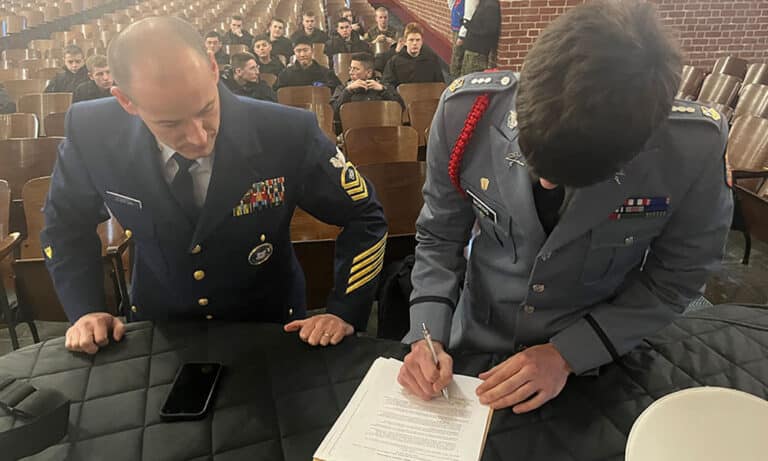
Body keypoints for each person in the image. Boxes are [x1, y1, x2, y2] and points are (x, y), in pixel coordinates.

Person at [398, 0, 732, 414]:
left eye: (570, 176)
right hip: (475, 347)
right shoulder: (468, 112)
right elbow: (440, 235)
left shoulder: (690, 148)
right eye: (533, 162)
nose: (546, 184)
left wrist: (569, 354)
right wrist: (427, 334)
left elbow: (677, 277)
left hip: (599, 359)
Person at [42, 16, 387, 355]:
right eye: (170, 123)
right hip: (161, 328)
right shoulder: (93, 133)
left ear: (212, 67)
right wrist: (85, 309)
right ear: (126, 101)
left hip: (269, 327)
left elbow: (365, 215)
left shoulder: (286, 132)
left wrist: (345, 310)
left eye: (206, 109)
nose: (198, 136)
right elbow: (65, 225)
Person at [330, 52, 404, 125]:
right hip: (354, 131)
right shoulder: (343, 88)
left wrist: (383, 91)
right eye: (351, 68)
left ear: (368, 73)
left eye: (356, 69)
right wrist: (347, 91)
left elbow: (401, 108)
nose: (351, 72)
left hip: (381, 129)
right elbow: (333, 113)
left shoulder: (383, 86)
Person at [382, 23, 444, 87]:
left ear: (422, 41)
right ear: (405, 42)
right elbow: (387, 86)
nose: (414, 43)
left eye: (418, 40)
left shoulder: (432, 60)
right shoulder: (394, 62)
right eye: (411, 40)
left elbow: (440, 86)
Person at [275, 36, 341, 91]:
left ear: (312, 51)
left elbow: (337, 92)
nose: (302, 54)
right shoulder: (285, 75)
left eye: (305, 50)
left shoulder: (326, 73)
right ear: (294, 52)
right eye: (298, 51)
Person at [459, 0, 500, 75]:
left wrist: (469, 26)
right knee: (465, 77)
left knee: (471, 78)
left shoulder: (491, 5)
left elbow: (490, 29)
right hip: (471, 48)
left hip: (478, 51)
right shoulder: (483, 3)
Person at [448, 0, 466, 80]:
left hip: (465, 23)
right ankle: (454, 78)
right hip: (458, 24)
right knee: (457, 52)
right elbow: (451, 4)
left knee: (463, 53)